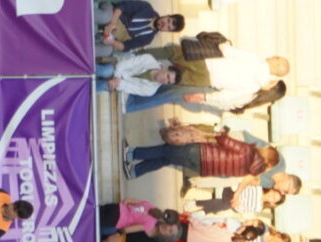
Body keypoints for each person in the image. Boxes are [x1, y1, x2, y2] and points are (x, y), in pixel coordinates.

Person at [125, 42, 289, 112]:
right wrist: (204, 97)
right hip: (206, 80)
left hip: (206, 62)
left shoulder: (256, 61)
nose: (275, 59)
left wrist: (221, 44)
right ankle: (131, 102)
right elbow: (227, 97)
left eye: (278, 60)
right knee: (170, 89)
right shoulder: (254, 87)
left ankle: (132, 58)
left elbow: (229, 51)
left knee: (171, 55)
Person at [123, 129, 279, 180]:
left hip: (202, 153)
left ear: (267, 153)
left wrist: (222, 134)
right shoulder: (248, 172)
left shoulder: (249, 152)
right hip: (202, 168)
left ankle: (132, 153)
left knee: (166, 150)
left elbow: (225, 142)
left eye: (267, 148)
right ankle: (135, 171)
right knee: (165, 159)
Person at [94, 0, 185, 57]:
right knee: (104, 17)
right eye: (168, 20)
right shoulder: (147, 8)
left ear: (167, 31)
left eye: (168, 28)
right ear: (167, 15)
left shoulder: (148, 39)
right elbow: (121, 7)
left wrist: (112, 42)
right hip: (113, 14)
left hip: (114, 35)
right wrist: (112, 22)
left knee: (107, 51)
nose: (165, 24)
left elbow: (125, 47)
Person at [96, 53, 182, 96]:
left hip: (119, 83)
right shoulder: (149, 59)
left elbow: (128, 88)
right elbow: (123, 64)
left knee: (107, 85)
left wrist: (117, 82)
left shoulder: (150, 91)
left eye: (168, 82)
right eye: (167, 76)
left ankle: (84, 87)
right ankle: (84, 70)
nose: (165, 80)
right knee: (107, 71)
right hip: (117, 66)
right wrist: (116, 77)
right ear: (165, 68)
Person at [99, 201, 179, 238]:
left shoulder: (150, 204)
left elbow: (127, 200)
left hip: (115, 207)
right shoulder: (150, 224)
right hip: (116, 220)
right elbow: (126, 230)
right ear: (166, 223)